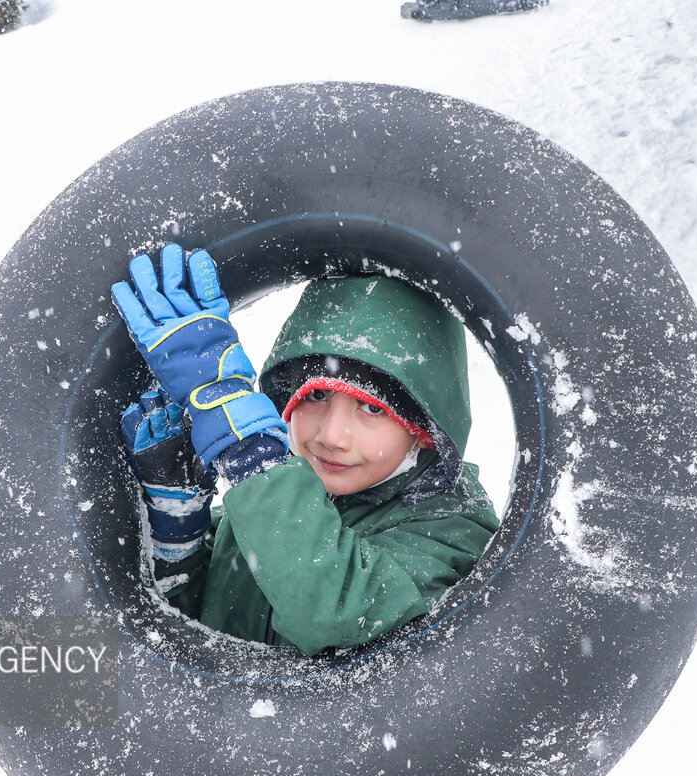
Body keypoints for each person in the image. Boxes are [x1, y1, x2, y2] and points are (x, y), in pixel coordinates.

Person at [113, 244, 499, 656]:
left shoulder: (453, 531)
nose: (331, 436)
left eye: (371, 407)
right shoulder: (260, 507)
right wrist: (179, 528)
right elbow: (189, 631)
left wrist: (253, 456)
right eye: (315, 395)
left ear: (424, 428)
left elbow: (334, 612)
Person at [401, 0, 546, 22]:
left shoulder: (427, 8)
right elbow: (450, 7)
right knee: (499, 5)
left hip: (468, 7)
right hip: (469, 7)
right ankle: (534, 2)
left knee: (499, 4)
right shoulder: (430, 11)